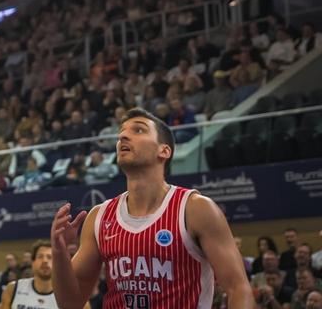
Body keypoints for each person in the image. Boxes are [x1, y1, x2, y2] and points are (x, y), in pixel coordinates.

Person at [49, 108, 252, 309]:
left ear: (164, 150)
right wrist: (59, 252)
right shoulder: (99, 216)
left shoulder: (195, 209)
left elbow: (239, 288)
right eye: (122, 131)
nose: (123, 135)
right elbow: (70, 304)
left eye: (138, 130)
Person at [1, 243, 81, 309]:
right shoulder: (12, 289)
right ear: (33, 263)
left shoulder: (70, 296)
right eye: (40, 256)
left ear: (58, 264)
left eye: (50, 257)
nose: (45, 261)